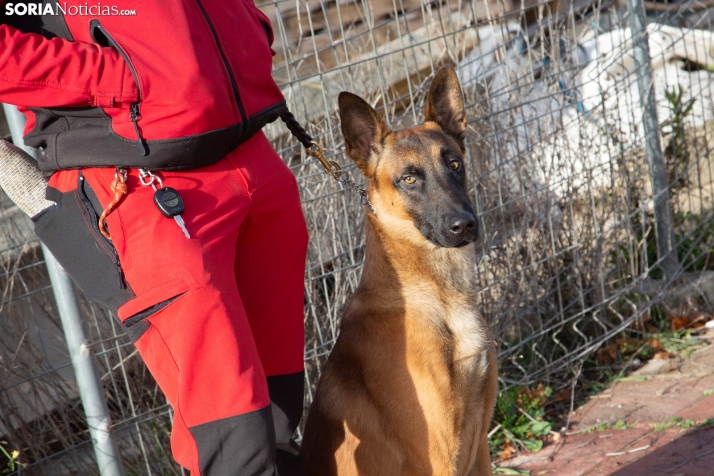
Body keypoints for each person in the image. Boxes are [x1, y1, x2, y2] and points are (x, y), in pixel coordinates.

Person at [0, 1, 308, 475]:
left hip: (245, 145)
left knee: (279, 416)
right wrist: (125, 78)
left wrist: (242, 33)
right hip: (134, 172)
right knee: (233, 440)